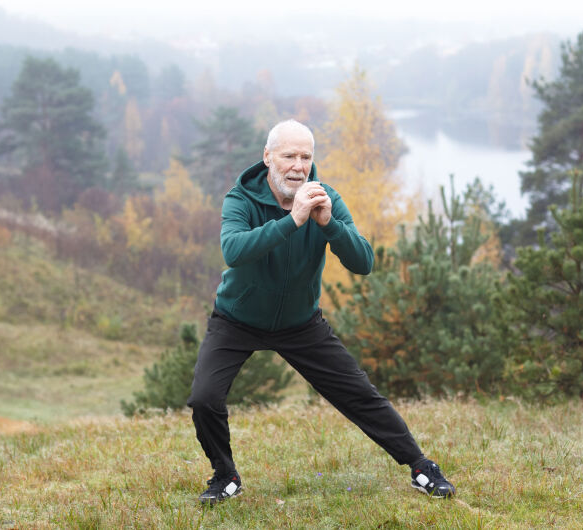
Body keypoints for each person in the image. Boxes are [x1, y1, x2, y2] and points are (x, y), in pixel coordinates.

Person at [187, 119, 456, 504]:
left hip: (300, 324)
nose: (298, 166)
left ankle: (420, 467)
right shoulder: (240, 199)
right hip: (237, 320)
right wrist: (292, 220)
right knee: (204, 398)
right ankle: (225, 475)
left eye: (306, 157)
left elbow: (364, 262)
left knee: (360, 394)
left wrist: (328, 224)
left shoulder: (325, 197)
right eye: (288, 156)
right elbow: (234, 251)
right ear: (267, 158)